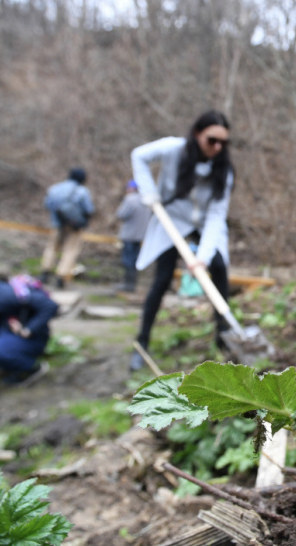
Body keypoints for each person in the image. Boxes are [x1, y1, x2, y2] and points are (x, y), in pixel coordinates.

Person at [127, 109, 235, 371]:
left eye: (223, 142)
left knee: (219, 268)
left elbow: (216, 216)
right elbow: (138, 156)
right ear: (198, 134)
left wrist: (203, 258)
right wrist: (149, 192)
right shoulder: (173, 149)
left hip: (203, 224)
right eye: (212, 140)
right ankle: (142, 342)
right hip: (171, 219)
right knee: (162, 279)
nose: (217, 147)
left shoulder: (224, 170)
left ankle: (225, 336)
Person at [41, 167, 95, 289]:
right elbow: (89, 209)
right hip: (74, 226)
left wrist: (59, 215)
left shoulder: (55, 188)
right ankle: (61, 276)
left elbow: (47, 205)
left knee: (51, 248)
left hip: (57, 224)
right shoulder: (82, 191)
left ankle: (45, 272)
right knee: (70, 250)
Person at [114, 179, 150, 292]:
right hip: (140, 235)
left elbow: (121, 214)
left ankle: (128, 284)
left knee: (127, 259)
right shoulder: (146, 200)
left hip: (129, 234)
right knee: (134, 259)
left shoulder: (130, 200)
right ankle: (132, 283)